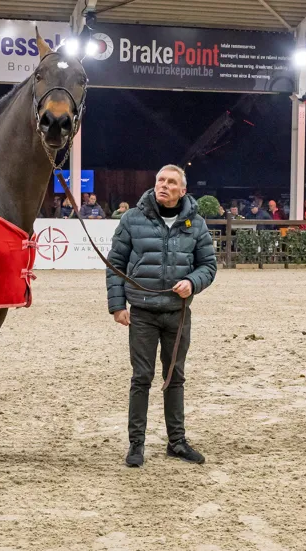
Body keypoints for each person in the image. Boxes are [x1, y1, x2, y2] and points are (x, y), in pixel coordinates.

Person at [106, 164, 217, 467]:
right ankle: (136, 445)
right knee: (141, 378)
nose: (163, 186)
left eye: (171, 182)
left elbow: (208, 265)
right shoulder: (132, 220)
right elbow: (115, 264)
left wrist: (193, 282)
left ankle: (177, 442)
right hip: (142, 313)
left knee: (174, 378)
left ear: (183, 190)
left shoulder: (196, 223)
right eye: (160, 180)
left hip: (177, 313)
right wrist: (117, 305)